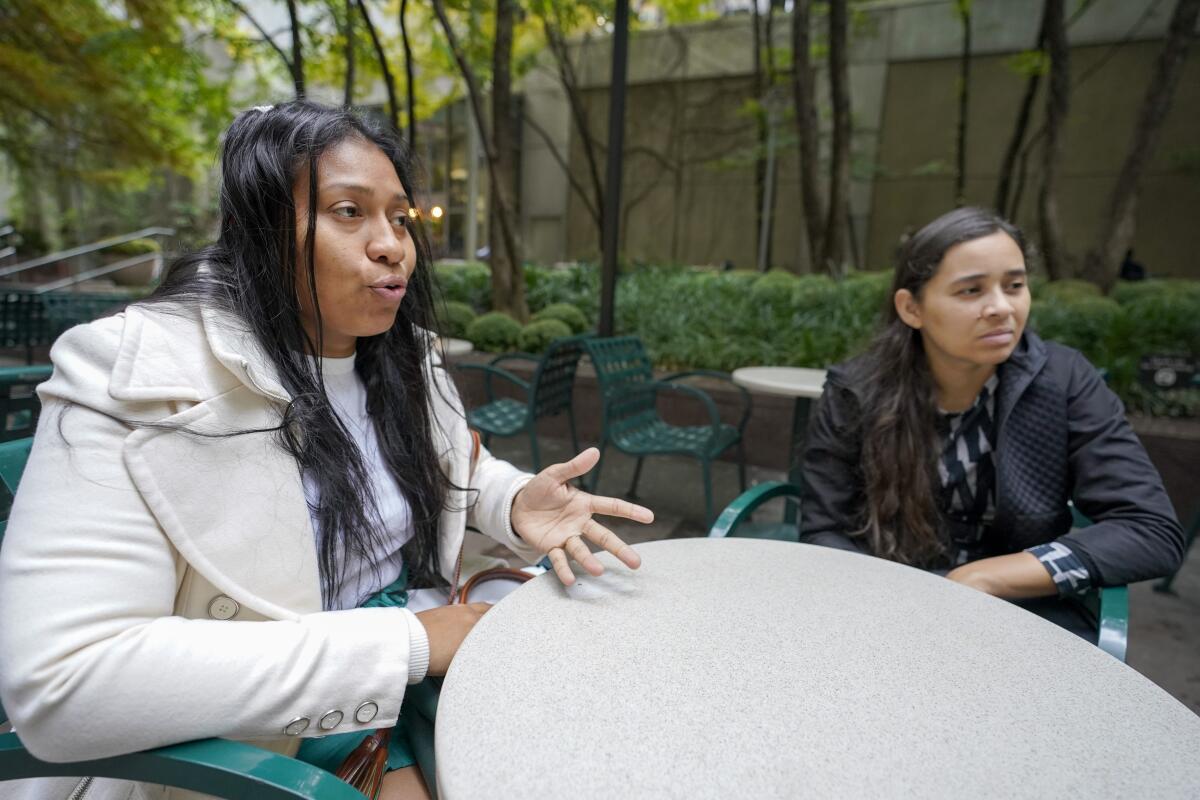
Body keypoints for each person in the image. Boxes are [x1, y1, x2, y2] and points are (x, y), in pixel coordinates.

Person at [0, 101, 653, 800]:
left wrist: (512, 499)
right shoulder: (130, 371)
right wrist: (413, 642)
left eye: (400, 217)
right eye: (349, 211)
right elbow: (64, 685)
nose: (392, 244)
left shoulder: (402, 360)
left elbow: (449, 468)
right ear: (264, 230)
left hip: (405, 674)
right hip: (249, 741)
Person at [799, 207, 1183, 637]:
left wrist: (984, 578)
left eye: (1014, 286)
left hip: (1021, 616)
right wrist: (891, 602)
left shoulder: (1064, 381)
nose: (1001, 308)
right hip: (882, 609)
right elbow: (823, 529)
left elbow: (1150, 530)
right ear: (912, 308)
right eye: (971, 291)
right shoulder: (857, 391)